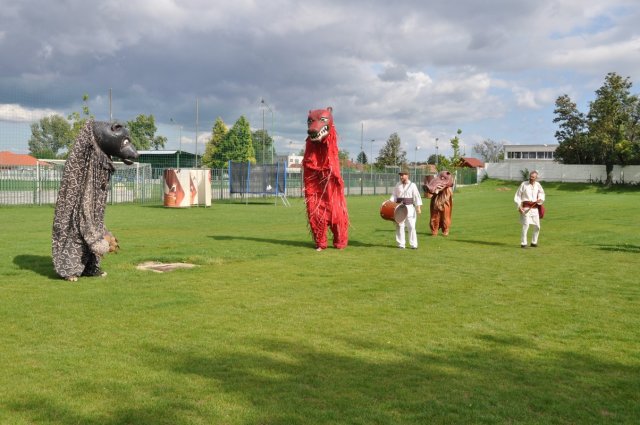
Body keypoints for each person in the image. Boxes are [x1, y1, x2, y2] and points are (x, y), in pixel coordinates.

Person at [390, 167, 422, 249]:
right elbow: (394, 195)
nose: (401, 177)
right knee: (400, 225)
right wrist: (390, 202)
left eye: (403, 175)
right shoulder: (398, 185)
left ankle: (413, 245)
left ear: (407, 175)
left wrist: (418, 207)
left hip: (410, 207)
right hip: (399, 208)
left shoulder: (413, 185)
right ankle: (401, 244)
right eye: (400, 175)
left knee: (411, 226)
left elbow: (416, 196)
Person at [514, 169, 545, 248]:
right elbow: (518, 195)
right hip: (526, 208)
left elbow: (541, 193)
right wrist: (519, 206)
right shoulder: (524, 184)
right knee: (526, 225)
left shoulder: (538, 185)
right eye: (530, 176)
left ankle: (534, 242)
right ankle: (523, 243)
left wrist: (540, 199)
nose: (531, 178)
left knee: (537, 226)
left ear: (536, 178)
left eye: (533, 177)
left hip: (535, 208)